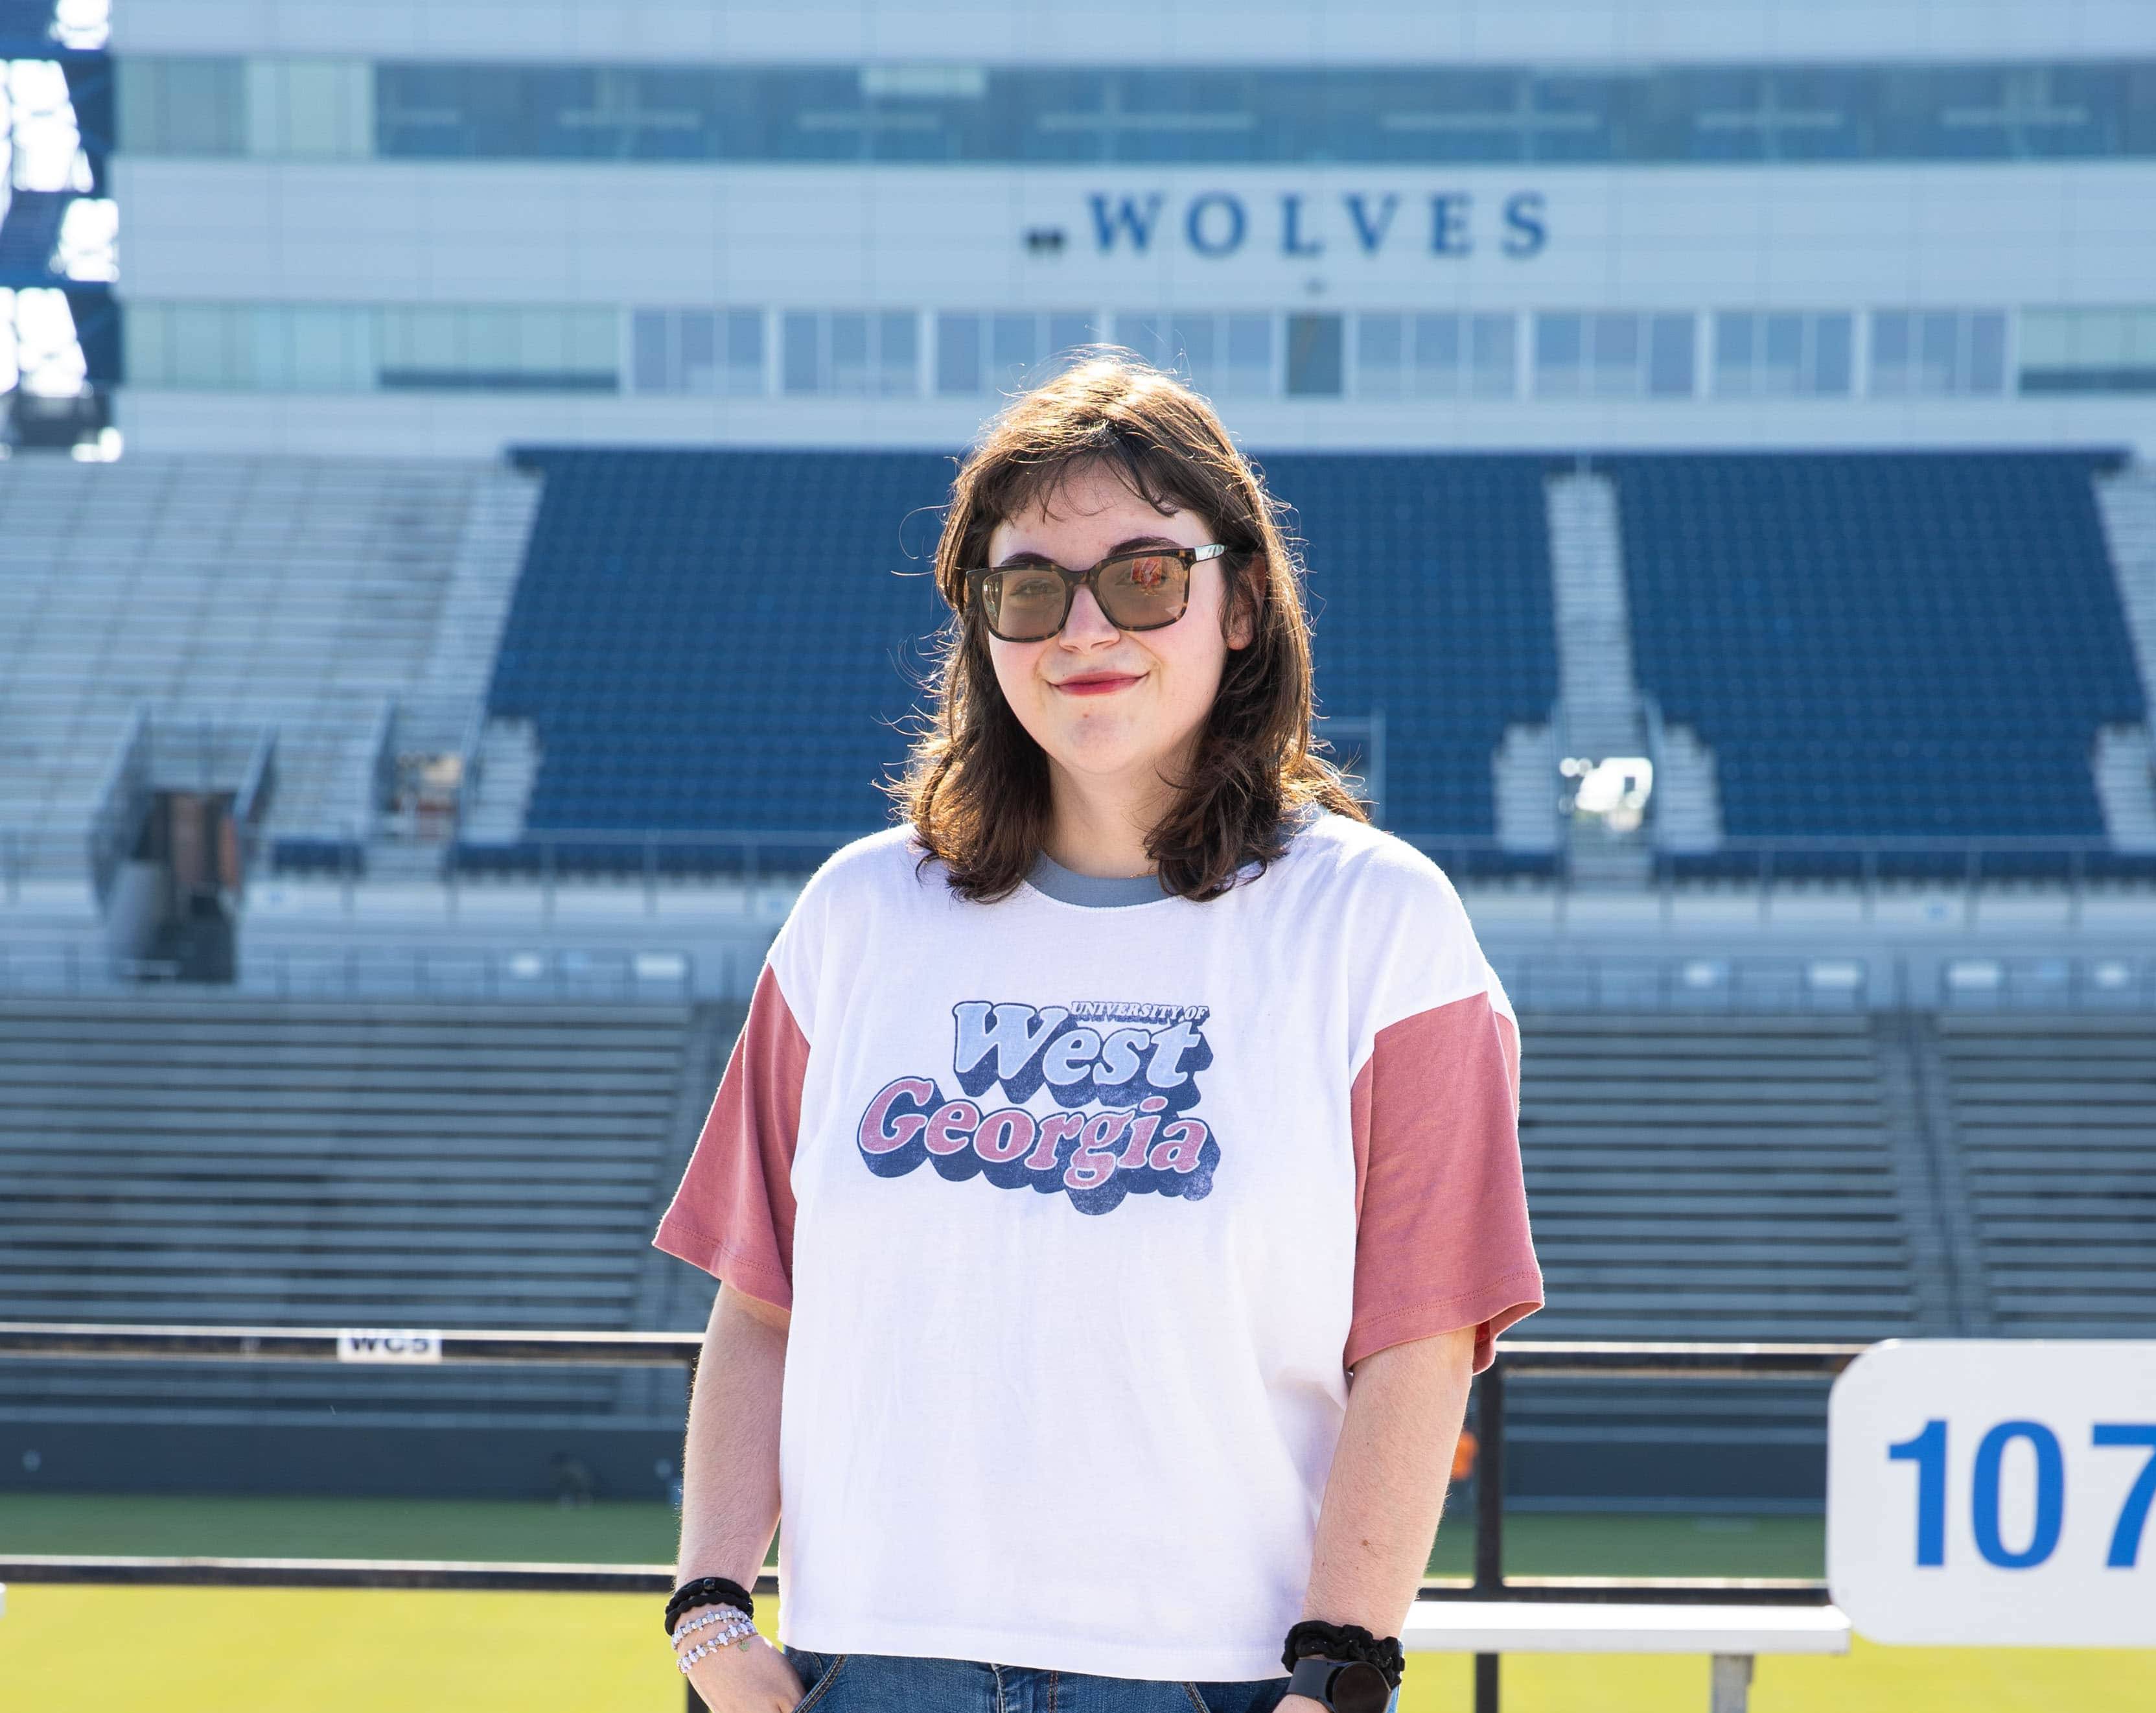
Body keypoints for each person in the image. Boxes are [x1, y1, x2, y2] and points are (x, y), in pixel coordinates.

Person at [652, 352, 1544, 1713]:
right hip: (867, 1670)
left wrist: (1343, 1670)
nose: (1083, 628)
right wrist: (712, 1608)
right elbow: (760, 1298)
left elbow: (1417, 1339)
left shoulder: (1383, 928)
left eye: (1143, 575)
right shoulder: (854, 915)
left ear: (1240, 601)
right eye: (1027, 588)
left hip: (1211, 1680)